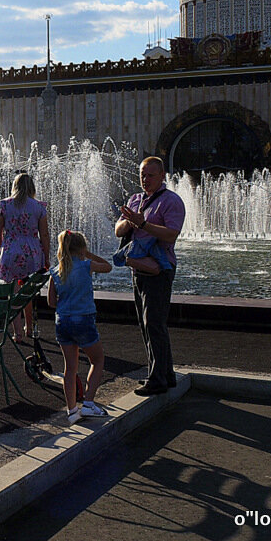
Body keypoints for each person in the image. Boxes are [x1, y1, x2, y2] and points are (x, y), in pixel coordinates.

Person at [115, 156, 185, 396]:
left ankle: (157, 379)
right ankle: (166, 374)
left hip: (159, 269)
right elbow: (118, 230)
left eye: (150, 175)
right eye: (142, 175)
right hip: (139, 267)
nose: (145, 179)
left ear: (162, 176)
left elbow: (171, 235)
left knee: (154, 323)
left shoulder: (171, 201)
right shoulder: (135, 199)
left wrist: (143, 223)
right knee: (148, 324)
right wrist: (128, 223)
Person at [48, 229, 112, 424]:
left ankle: (72, 411)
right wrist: (88, 254)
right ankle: (89, 403)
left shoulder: (56, 270)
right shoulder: (86, 265)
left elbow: (51, 302)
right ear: (82, 249)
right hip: (83, 320)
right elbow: (108, 267)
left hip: (63, 322)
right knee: (97, 360)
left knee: (70, 368)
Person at [0, 172, 50, 341]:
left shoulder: (4, 205)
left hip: (11, 250)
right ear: (31, 187)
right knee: (29, 291)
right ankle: (29, 328)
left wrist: (2, 251)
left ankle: (17, 333)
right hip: (32, 252)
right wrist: (46, 257)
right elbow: (45, 235)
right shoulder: (39, 207)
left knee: (13, 292)